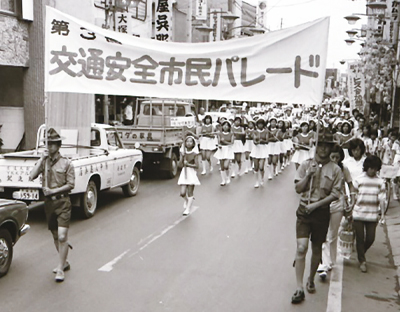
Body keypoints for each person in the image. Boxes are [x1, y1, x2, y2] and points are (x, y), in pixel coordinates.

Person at [291, 129, 342, 304]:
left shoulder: (335, 170)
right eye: (320, 145)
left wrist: (316, 205)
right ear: (315, 146)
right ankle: (299, 288)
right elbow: (298, 188)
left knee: (316, 249)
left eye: (326, 146)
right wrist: (308, 175)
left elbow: (335, 194)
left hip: (321, 213)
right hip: (304, 210)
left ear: (330, 148)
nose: (323, 149)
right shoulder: (306, 165)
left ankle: (311, 278)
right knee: (301, 248)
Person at [29, 128, 75, 282]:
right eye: (47, 144)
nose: (48, 147)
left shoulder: (67, 163)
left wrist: (53, 190)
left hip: (63, 202)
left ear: (58, 145)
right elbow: (31, 176)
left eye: (52, 144)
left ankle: (60, 269)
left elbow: (71, 184)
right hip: (49, 204)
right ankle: (64, 261)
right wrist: (41, 160)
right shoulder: (45, 162)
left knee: (62, 235)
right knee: (56, 235)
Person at [317, 144, 355, 279]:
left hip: (338, 204)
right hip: (323, 204)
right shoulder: (322, 168)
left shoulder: (344, 169)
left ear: (340, 158)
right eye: (332, 156)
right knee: (323, 234)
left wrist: (352, 200)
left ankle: (329, 261)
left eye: (337, 157)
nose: (334, 159)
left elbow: (350, 185)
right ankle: (324, 264)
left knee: (332, 235)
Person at [352, 155, 385, 273]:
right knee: (360, 238)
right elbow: (353, 195)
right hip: (358, 213)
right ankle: (362, 261)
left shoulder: (380, 182)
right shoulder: (359, 179)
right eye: (371, 168)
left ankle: (360, 252)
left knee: (370, 238)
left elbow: (382, 199)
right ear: (367, 167)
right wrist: (350, 209)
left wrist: (382, 214)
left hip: (372, 214)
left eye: (375, 168)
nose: (373, 170)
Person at [178, 136, 200, 216]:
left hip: (191, 173)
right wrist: (182, 157)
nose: (189, 143)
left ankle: (188, 208)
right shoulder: (183, 153)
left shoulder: (195, 154)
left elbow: (197, 166)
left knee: (190, 191)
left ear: (193, 143)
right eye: (187, 141)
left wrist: (189, 164)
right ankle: (187, 201)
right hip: (184, 173)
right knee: (182, 193)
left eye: (191, 141)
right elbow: (180, 165)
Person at [214, 120, 234, 186]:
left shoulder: (231, 134)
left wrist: (225, 142)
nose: (225, 127)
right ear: (222, 126)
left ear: (229, 127)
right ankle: (223, 180)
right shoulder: (220, 133)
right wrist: (219, 145)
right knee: (222, 166)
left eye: (227, 125)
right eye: (224, 125)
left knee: (226, 166)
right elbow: (219, 142)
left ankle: (228, 177)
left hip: (228, 149)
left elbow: (231, 143)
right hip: (222, 150)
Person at [250, 117, 268, 188]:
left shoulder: (266, 131)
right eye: (259, 124)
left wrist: (260, 141)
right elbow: (254, 141)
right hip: (256, 150)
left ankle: (262, 178)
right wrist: (256, 141)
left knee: (261, 167)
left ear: (263, 125)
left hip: (263, 150)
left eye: (261, 124)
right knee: (256, 167)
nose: (260, 125)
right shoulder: (254, 132)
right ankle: (256, 181)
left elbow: (266, 141)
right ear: (257, 125)